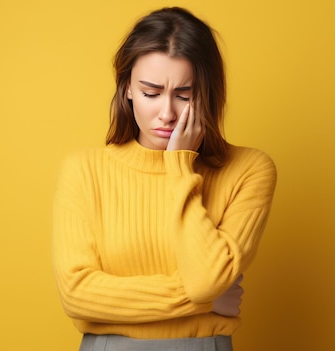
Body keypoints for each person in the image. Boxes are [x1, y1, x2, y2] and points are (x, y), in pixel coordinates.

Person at [51, 7, 277, 351]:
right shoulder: (84, 170)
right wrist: (203, 303)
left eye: (184, 95)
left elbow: (208, 281)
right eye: (151, 93)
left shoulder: (248, 169)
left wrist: (179, 165)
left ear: (208, 94)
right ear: (127, 88)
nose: (167, 113)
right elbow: (77, 295)